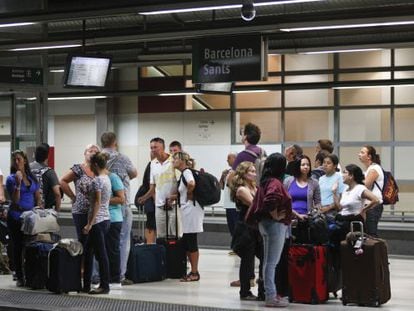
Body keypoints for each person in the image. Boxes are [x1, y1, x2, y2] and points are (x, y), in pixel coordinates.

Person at [254, 153, 292, 308]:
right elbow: (270, 200)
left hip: (265, 224)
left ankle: (271, 293)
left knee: (268, 262)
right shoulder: (275, 183)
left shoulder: (265, 181)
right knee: (272, 263)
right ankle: (271, 296)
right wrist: (276, 215)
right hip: (274, 225)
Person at [100, 132, 137, 286]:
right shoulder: (122, 158)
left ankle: (99, 275)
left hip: (101, 205)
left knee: (100, 241)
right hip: (121, 204)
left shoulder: (97, 158)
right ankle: (119, 275)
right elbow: (134, 173)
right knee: (121, 241)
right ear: (115, 142)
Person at [230, 161, 264, 301]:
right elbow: (255, 205)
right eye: (250, 171)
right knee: (247, 260)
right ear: (243, 173)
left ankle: (260, 287)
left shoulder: (255, 187)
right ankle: (244, 291)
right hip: (245, 228)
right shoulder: (242, 189)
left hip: (254, 228)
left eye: (255, 171)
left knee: (262, 256)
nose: (254, 174)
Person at [6, 150, 40, 287]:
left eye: (19, 159)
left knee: (31, 246)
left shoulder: (32, 178)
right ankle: (19, 275)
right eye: (14, 160)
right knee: (18, 246)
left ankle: (31, 274)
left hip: (30, 217)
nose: (17, 162)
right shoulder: (11, 178)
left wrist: (39, 208)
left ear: (25, 161)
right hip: (16, 216)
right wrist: (18, 184)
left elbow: (37, 196)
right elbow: (15, 200)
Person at [138, 137, 180, 238]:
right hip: (159, 206)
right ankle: (163, 254)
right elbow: (152, 187)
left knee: (175, 234)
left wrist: (175, 197)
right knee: (161, 236)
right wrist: (144, 197)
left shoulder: (173, 161)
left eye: (156, 147)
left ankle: (177, 254)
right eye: (151, 148)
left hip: (174, 205)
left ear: (163, 147)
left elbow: (180, 183)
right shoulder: (153, 164)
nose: (153, 150)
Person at [172, 152, 203, 282]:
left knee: (191, 240)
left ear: (182, 161)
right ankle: (191, 270)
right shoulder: (184, 172)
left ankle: (195, 272)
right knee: (186, 241)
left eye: (175, 159)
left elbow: (191, 183)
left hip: (191, 210)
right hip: (189, 209)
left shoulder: (186, 172)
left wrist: (189, 194)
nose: (173, 160)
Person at [83, 152, 111, 295]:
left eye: (90, 165)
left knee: (100, 254)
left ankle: (104, 286)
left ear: (95, 165)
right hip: (105, 219)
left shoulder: (97, 181)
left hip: (97, 221)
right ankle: (86, 284)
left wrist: (89, 224)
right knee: (88, 252)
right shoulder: (107, 178)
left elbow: (97, 203)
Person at [60, 144, 100, 247]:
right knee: (84, 242)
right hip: (81, 211)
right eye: (90, 151)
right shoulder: (78, 169)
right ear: (85, 153)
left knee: (94, 244)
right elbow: (63, 181)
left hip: (97, 213)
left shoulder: (100, 170)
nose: (93, 153)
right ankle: (82, 263)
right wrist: (73, 197)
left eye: (95, 152)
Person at [332, 164, 379, 242]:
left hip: (353, 223)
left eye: (345, 172)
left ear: (351, 176)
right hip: (342, 221)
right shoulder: (345, 189)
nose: (342, 175)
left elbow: (375, 200)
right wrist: (334, 193)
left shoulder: (360, 188)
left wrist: (364, 210)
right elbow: (339, 208)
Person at [284, 155, 321, 243]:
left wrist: (313, 213)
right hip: (290, 217)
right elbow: (284, 202)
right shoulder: (288, 181)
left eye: (308, 165)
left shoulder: (314, 183)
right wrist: (297, 215)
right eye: (303, 164)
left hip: (307, 218)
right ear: (297, 166)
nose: (306, 167)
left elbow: (318, 202)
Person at [358, 145, 384, 237]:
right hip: (369, 205)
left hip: (373, 205)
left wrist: (355, 181)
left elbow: (366, 186)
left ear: (369, 156)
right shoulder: (369, 169)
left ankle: (377, 251)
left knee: (371, 234)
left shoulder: (374, 169)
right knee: (367, 233)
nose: (359, 154)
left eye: (362, 152)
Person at [29, 143, 61, 211]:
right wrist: (57, 210)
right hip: (43, 210)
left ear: (34, 154)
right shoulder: (49, 171)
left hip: (27, 208)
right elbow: (57, 193)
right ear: (47, 156)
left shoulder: (27, 169)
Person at [135, 151, 157, 244]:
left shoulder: (153, 166)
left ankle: (151, 245)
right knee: (151, 224)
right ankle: (150, 246)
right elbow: (151, 187)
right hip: (151, 201)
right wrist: (155, 200)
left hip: (151, 200)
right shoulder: (151, 166)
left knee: (152, 224)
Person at [319, 154, 346, 223]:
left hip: (333, 211)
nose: (325, 165)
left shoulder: (339, 177)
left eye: (328, 163)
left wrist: (328, 208)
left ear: (335, 165)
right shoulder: (321, 179)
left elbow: (342, 197)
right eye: (324, 162)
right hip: (321, 209)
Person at [219, 152, 238, 252]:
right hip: (227, 204)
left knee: (236, 227)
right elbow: (221, 186)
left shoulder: (238, 172)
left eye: (229, 158)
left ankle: (236, 247)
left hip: (235, 205)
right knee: (231, 227)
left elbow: (234, 186)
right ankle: (234, 246)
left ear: (235, 159)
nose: (227, 160)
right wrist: (223, 177)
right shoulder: (227, 172)